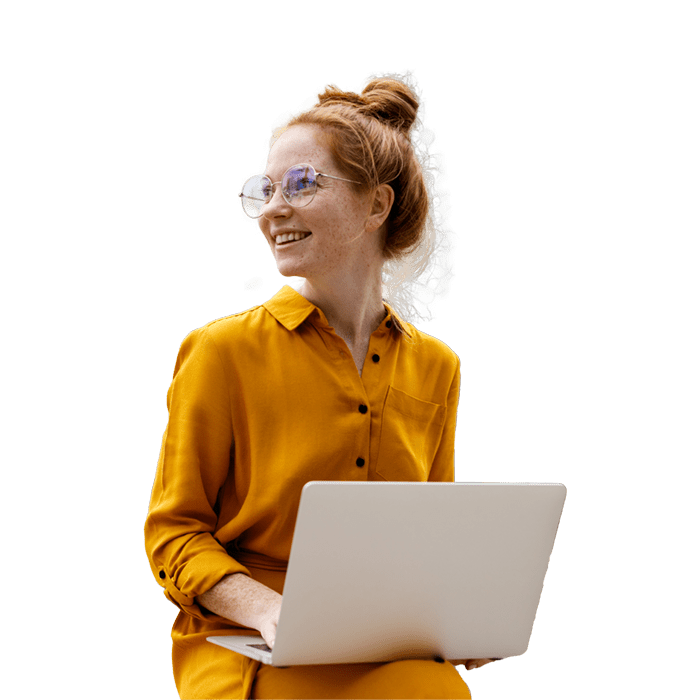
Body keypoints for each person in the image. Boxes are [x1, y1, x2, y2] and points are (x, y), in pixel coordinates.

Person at [144, 76, 494, 700]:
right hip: (248, 640)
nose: (273, 209)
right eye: (264, 190)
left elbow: (430, 532)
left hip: (384, 636)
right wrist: (270, 610)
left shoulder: (437, 365)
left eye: (302, 184)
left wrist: (459, 616)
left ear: (375, 206)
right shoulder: (220, 351)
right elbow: (174, 534)